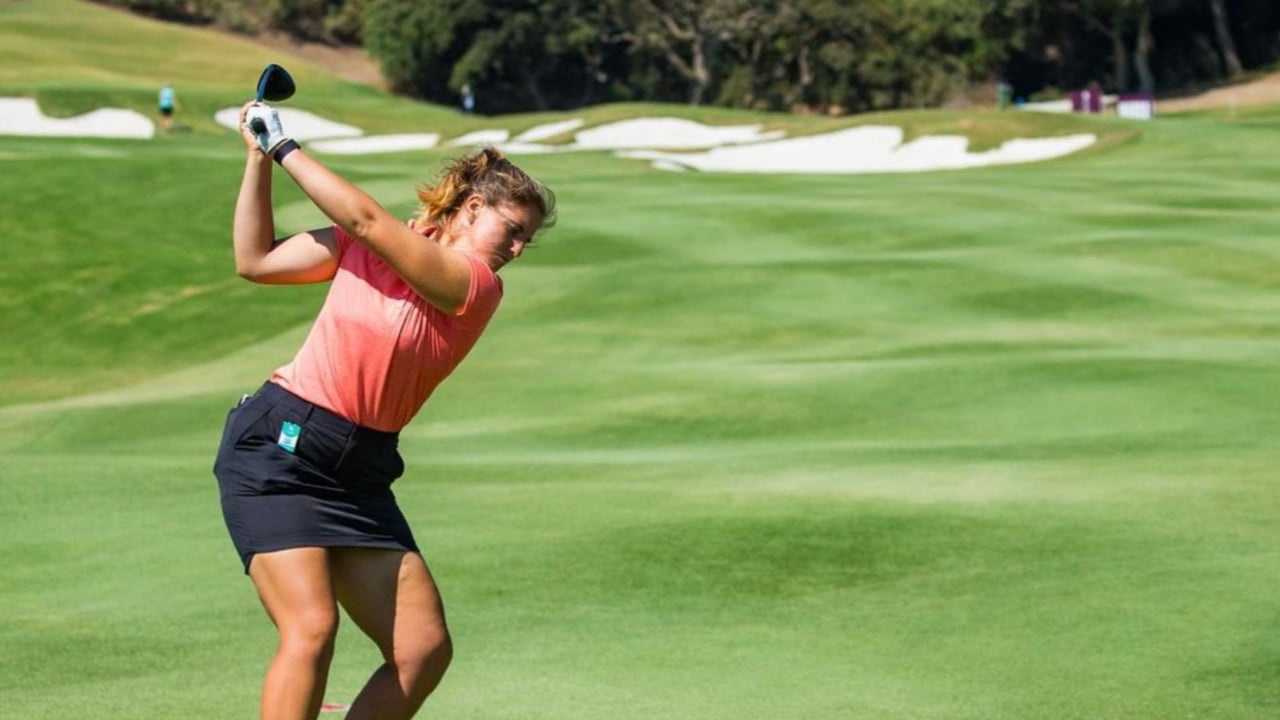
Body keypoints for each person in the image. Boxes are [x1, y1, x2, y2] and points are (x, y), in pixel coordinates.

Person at [215, 100, 556, 720]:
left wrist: (284, 144)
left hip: (361, 473)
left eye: (526, 240)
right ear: (473, 208)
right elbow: (256, 260)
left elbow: (369, 222)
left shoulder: (477, 285)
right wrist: (260, 158)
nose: (517, 248)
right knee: (312, 629)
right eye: (512, 230)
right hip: (282, 450)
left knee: (422, 648)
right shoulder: (367, 244)